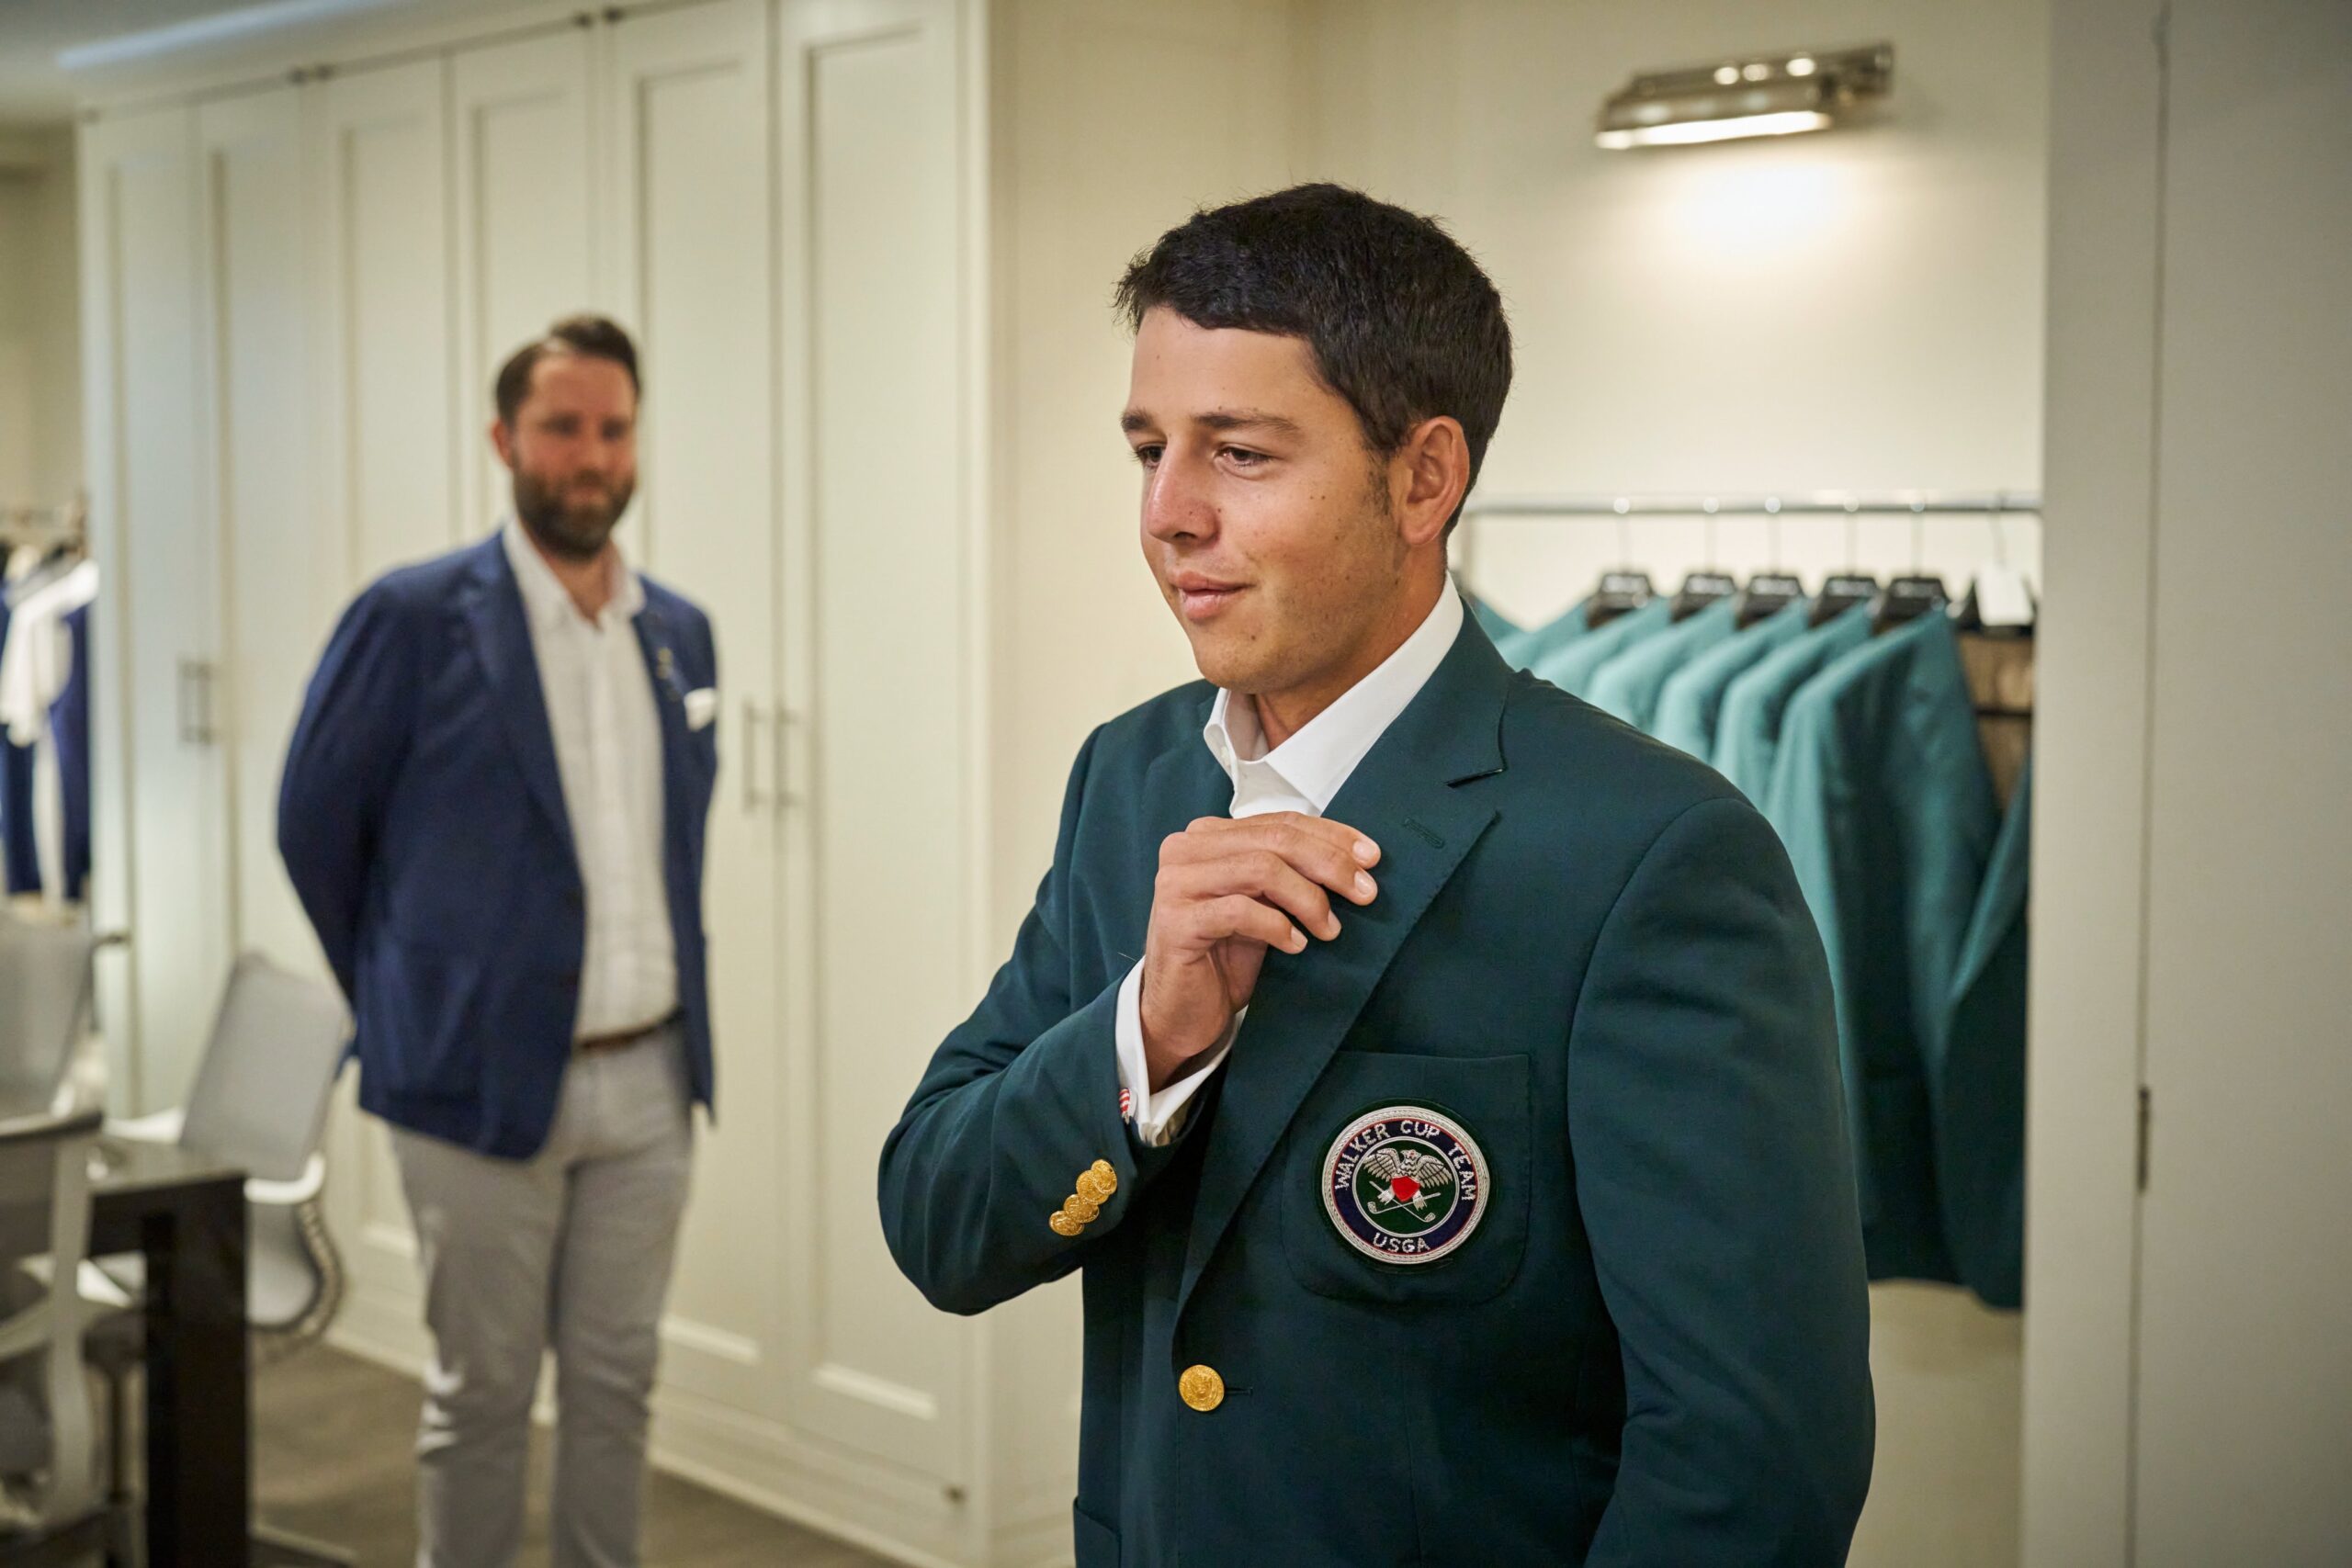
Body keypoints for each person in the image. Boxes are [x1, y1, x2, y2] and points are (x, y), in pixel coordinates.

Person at [877, 186, 1874, 1565]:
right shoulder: (1132, 779)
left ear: (1422, 479)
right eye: (1151, 449)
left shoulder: (1652, 857)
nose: (1168, 515)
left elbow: (1749, 1460)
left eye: (1239, 454)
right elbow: (940, 1222)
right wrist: (1147, 1038)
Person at [279, 314, 719, 1568]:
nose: (592, 455)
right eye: (562, 427)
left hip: (651, 1079)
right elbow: (315, 828)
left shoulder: (677, 630)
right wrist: (404, 999)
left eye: (614, 429)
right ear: (504, 439)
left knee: (617, 1390)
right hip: (472, 1082)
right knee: (479, 1396)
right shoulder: (414, 618)